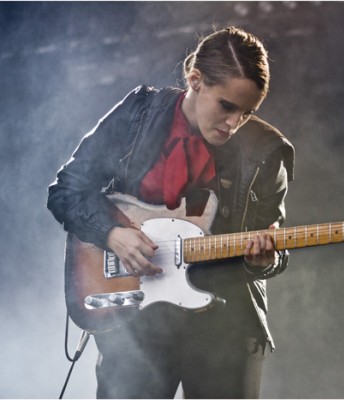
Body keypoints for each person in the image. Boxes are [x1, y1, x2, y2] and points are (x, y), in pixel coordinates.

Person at [47, 26, 295, 399]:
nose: (234, 124)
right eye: (226, 106)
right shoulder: (138, 114)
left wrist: (263, 261)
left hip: (225, 324)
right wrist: (112, 234)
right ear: (195, 79)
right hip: (138, 320)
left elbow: (274, 251)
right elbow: (66, 190)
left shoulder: (268, 150)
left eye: (247, 113)